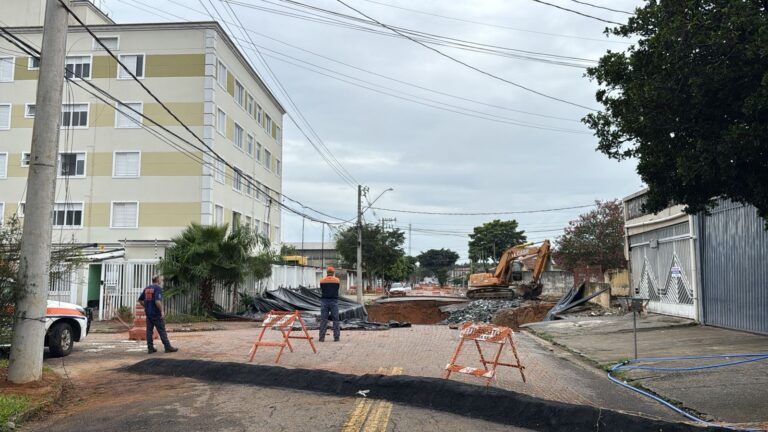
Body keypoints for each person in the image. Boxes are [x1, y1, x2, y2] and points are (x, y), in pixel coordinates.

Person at [138, 275, 178, 354]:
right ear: (157, 280)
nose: (161, 281)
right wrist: (162, 311)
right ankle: (167, 347)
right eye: (160, 279)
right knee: (162, 330)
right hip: (156, 313)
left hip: (148, 313)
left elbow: (140, 300)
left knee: (149, 331)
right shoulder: (158, 288)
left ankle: (150, 348)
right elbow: (157, 301)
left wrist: (146, 306)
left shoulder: (147, 288)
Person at [318, 266, 341, 342]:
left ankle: (321, 338)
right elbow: (337, 289)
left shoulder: (322, 281)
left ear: (327, 272)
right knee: (336, 320)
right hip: (334, 301)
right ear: (333, 273)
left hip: (324, 301)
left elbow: (322, 289)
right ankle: (336, 337)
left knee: (323, 320)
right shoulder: (337, 280)